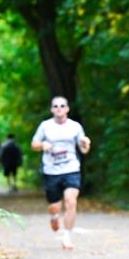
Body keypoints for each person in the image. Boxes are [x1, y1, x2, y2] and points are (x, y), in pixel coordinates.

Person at [31, 96, 91, 249]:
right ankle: (54, 216)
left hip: (71, 169)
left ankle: (67, 237)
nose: (59, 108)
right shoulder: (45, 126)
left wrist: (86, 144)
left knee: (71, 201)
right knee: (54, 206)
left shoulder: (75, 127)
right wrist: (42, 145)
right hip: (51, 171)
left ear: (67, 109)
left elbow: (84, 150)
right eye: (55, 106)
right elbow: (34, 144)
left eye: (62, 105)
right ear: (52, 109)